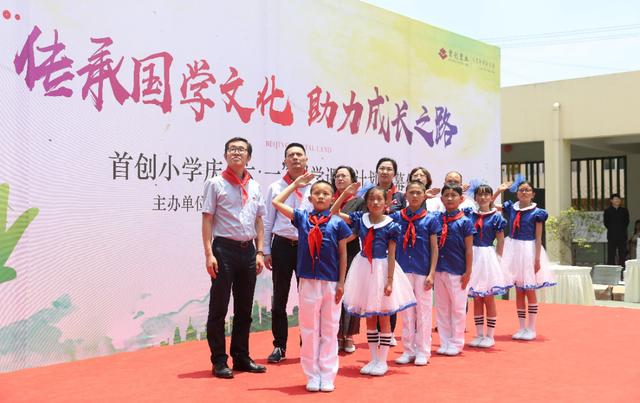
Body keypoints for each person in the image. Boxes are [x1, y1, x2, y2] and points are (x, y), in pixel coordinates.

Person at [271, 173, 351, 393]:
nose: (321, 196)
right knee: (309, 329)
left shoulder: (337, 222)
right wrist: (295, 185)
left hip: (331, 282)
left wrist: (342, 282)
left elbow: (343, 254)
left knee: (330, 329)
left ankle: (327, 374)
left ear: (332, 197)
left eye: (325, 193)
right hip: (307, 281)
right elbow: (276, 202)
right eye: (317, 193)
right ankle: (312, 374)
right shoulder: (302, 218)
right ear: (310, 197)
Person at [333, 185, 416, 376]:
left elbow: (392, 254)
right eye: (371, 199)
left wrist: (389, 280)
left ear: (386, 202)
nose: (375, 202)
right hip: (364, 269)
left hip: (382, 269)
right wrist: (345, 194)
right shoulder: (360, 219)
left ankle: (383, 360)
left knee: (384, 316)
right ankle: (373, 359)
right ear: (366, 202)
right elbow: (334, 212)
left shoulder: (392, 225)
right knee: (370, 316)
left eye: (379, 199)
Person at [201, 137, 267, 379]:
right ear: (225, 155)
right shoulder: (215, 183)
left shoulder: (255, 186)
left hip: (248, 251)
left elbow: (259, 220)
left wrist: (259, 251)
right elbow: (207, 219)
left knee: (244, 308)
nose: (236, 153)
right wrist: (209, 254)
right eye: (232, 149)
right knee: (218, 308)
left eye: (241, 149)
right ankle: (219, 360)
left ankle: (241, 357)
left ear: (249, 156)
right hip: (223, 251)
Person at [263, 143, 313, 363]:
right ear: (284, 161)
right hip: (282, 245)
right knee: (279, 299)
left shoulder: (315, 186)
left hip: (307, 247)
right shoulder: (275, 187)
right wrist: (265, 250)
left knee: (308, 298)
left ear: (306, 159)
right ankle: (279, 346)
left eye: (299, 154)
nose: (295, 158)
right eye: (290, 155)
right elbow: (268, 220)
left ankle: (308, 344)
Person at [496, 180, 556, 341]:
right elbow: (489, 206)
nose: (524, 192)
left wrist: (537, 259)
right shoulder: (511, 208)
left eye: (527, 190)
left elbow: (538, 237)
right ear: (517, 193)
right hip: (513, 250)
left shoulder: (537, 213)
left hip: (529, 250)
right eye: (521, 190)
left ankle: (532, 328)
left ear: (533, 194)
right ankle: (521, 327)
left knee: (529, 289)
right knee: (519, 290)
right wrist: (498, 191)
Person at [390, 180, 439, 366]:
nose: (415, 196)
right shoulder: (397, 217)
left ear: (424, 195)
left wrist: (432, 273)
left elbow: (434, 248)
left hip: (422, 270)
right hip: (403, 270)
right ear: (406, 195)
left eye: (419, 192)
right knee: (406, 312)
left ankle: (423, 351)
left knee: (423, 311)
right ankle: (408, 350)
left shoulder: (430, 219)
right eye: (412, 192)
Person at [464, 183, 512, 349]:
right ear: (475, 198)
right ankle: (479, 334)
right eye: (480, 194)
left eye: (486, 194)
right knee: (477, 297)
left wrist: (498, 260)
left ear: (491, 197)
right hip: (473, 256)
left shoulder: (496, 217)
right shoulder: (470, 215)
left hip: (488, 257)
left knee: (489, 297)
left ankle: (490, 335)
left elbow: (501, 240)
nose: (483, 197)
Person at [433, 182, 474, 357]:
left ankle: (456, 342)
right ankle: (444, 341)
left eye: (453, 195)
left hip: (457, 270)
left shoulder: (465, 221)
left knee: (457, 308)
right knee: (442, 307)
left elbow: (469, 249)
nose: (450, 198)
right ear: (441, 199)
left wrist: (468, 271)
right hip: (439, 269)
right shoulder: (436, 219)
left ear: (461, 199)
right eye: (446, 195)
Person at [332, 166, 366, 354]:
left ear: (352, 180)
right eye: (337, 176)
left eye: (344, 175)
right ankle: (337, 334)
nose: (339, 178)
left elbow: (358, 228)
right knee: (334, 292)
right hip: (330, 251)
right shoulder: (329, 198)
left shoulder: (359, 201)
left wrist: (341, 242)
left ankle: (350, 334)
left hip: (351, 249)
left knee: (350, 292)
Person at [603, 193, 630, 265]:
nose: (617, 200)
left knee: (622, 254)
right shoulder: (607, 211)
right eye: (615, 199)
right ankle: (611, 269)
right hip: (612, 235)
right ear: (611, 200)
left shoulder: (624, 210)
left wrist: (621, 230)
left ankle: (622, 268)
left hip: (622, 235)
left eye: (618, 199)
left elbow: (626, 222)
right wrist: (613, 229)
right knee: (611, 254)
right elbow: (606, 223)